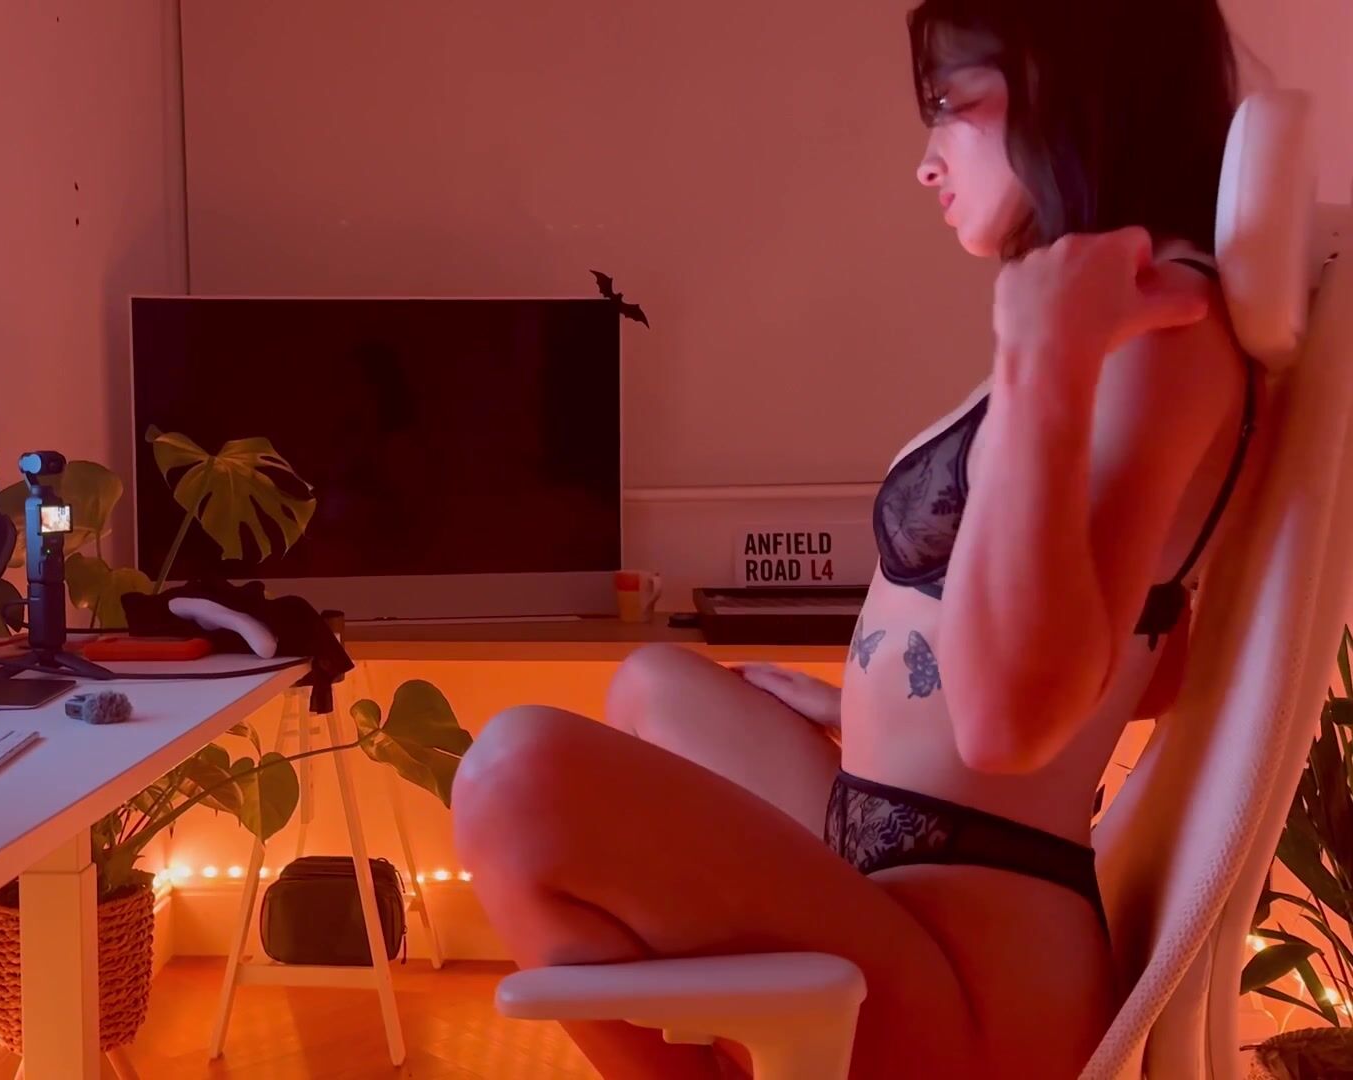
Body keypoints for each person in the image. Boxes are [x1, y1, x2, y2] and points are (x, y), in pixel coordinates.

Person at [451, 0, 1253, 1076]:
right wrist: (876, 714)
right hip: (909, 854)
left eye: (952, 105)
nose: (928, 160)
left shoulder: (1155, 335)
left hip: (976, 970)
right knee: (653, 683)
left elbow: (1011, 727)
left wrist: (1039, 360)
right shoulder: (1128, 312)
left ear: (1070, 86)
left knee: (513, 775)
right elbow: (1148, 658)